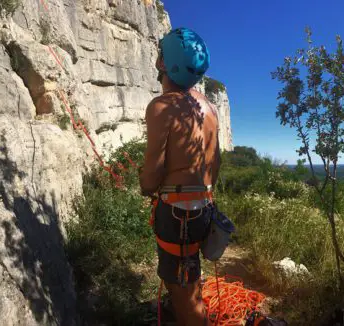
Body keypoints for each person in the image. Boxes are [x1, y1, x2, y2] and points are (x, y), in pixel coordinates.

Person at [140, 27, 220, 326]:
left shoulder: (162, 106)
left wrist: (147, 187)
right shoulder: (209, 108)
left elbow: (153, 169)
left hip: (177, 213)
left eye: (161, 53)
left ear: (164, 64)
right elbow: (216, 160)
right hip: (203, 205)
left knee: (183, 289)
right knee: (190, 276)